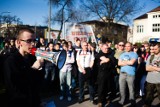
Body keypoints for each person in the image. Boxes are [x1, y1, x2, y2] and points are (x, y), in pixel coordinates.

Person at [3, 28, 44, 107]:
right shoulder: (11, 61)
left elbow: (35, 85)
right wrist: (34, 69)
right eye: (29, 41)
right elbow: (14, 87)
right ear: (19, 42)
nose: (33, 44)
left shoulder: (32, 58)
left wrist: (38, 102)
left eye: (34, 40)